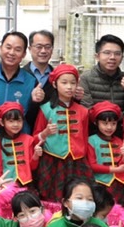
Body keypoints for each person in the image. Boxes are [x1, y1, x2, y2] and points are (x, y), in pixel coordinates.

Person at [35, 64, 89, 199]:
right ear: (54, 84)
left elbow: (85, 138)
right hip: (52, 160)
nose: (69, 87)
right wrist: (45, 133)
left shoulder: (83, 111)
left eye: (73, 83)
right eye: (64, 83)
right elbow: (35, 138)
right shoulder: (45, 109)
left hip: (77, 161)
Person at [0, 31, 41, 133]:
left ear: (24, 54)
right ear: (0, 49)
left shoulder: (31, 82)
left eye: (18, 49)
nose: (12, 53)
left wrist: (36, 102)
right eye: (8, 47)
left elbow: (33, 119)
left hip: (19, 140)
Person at [79, 34, 124, 110]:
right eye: (107, 53)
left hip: (123, 118)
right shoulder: (85, 78)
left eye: (117, 54)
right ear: (97, 56)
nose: (112, 57)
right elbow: (86, 108)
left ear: (122, 58)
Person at [25, 29, 56, 96]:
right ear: (30, 49)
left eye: (48, 47)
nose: (43, 51)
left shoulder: (57, 77)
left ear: (52, 49)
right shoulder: (20, 75)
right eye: (39, 47)